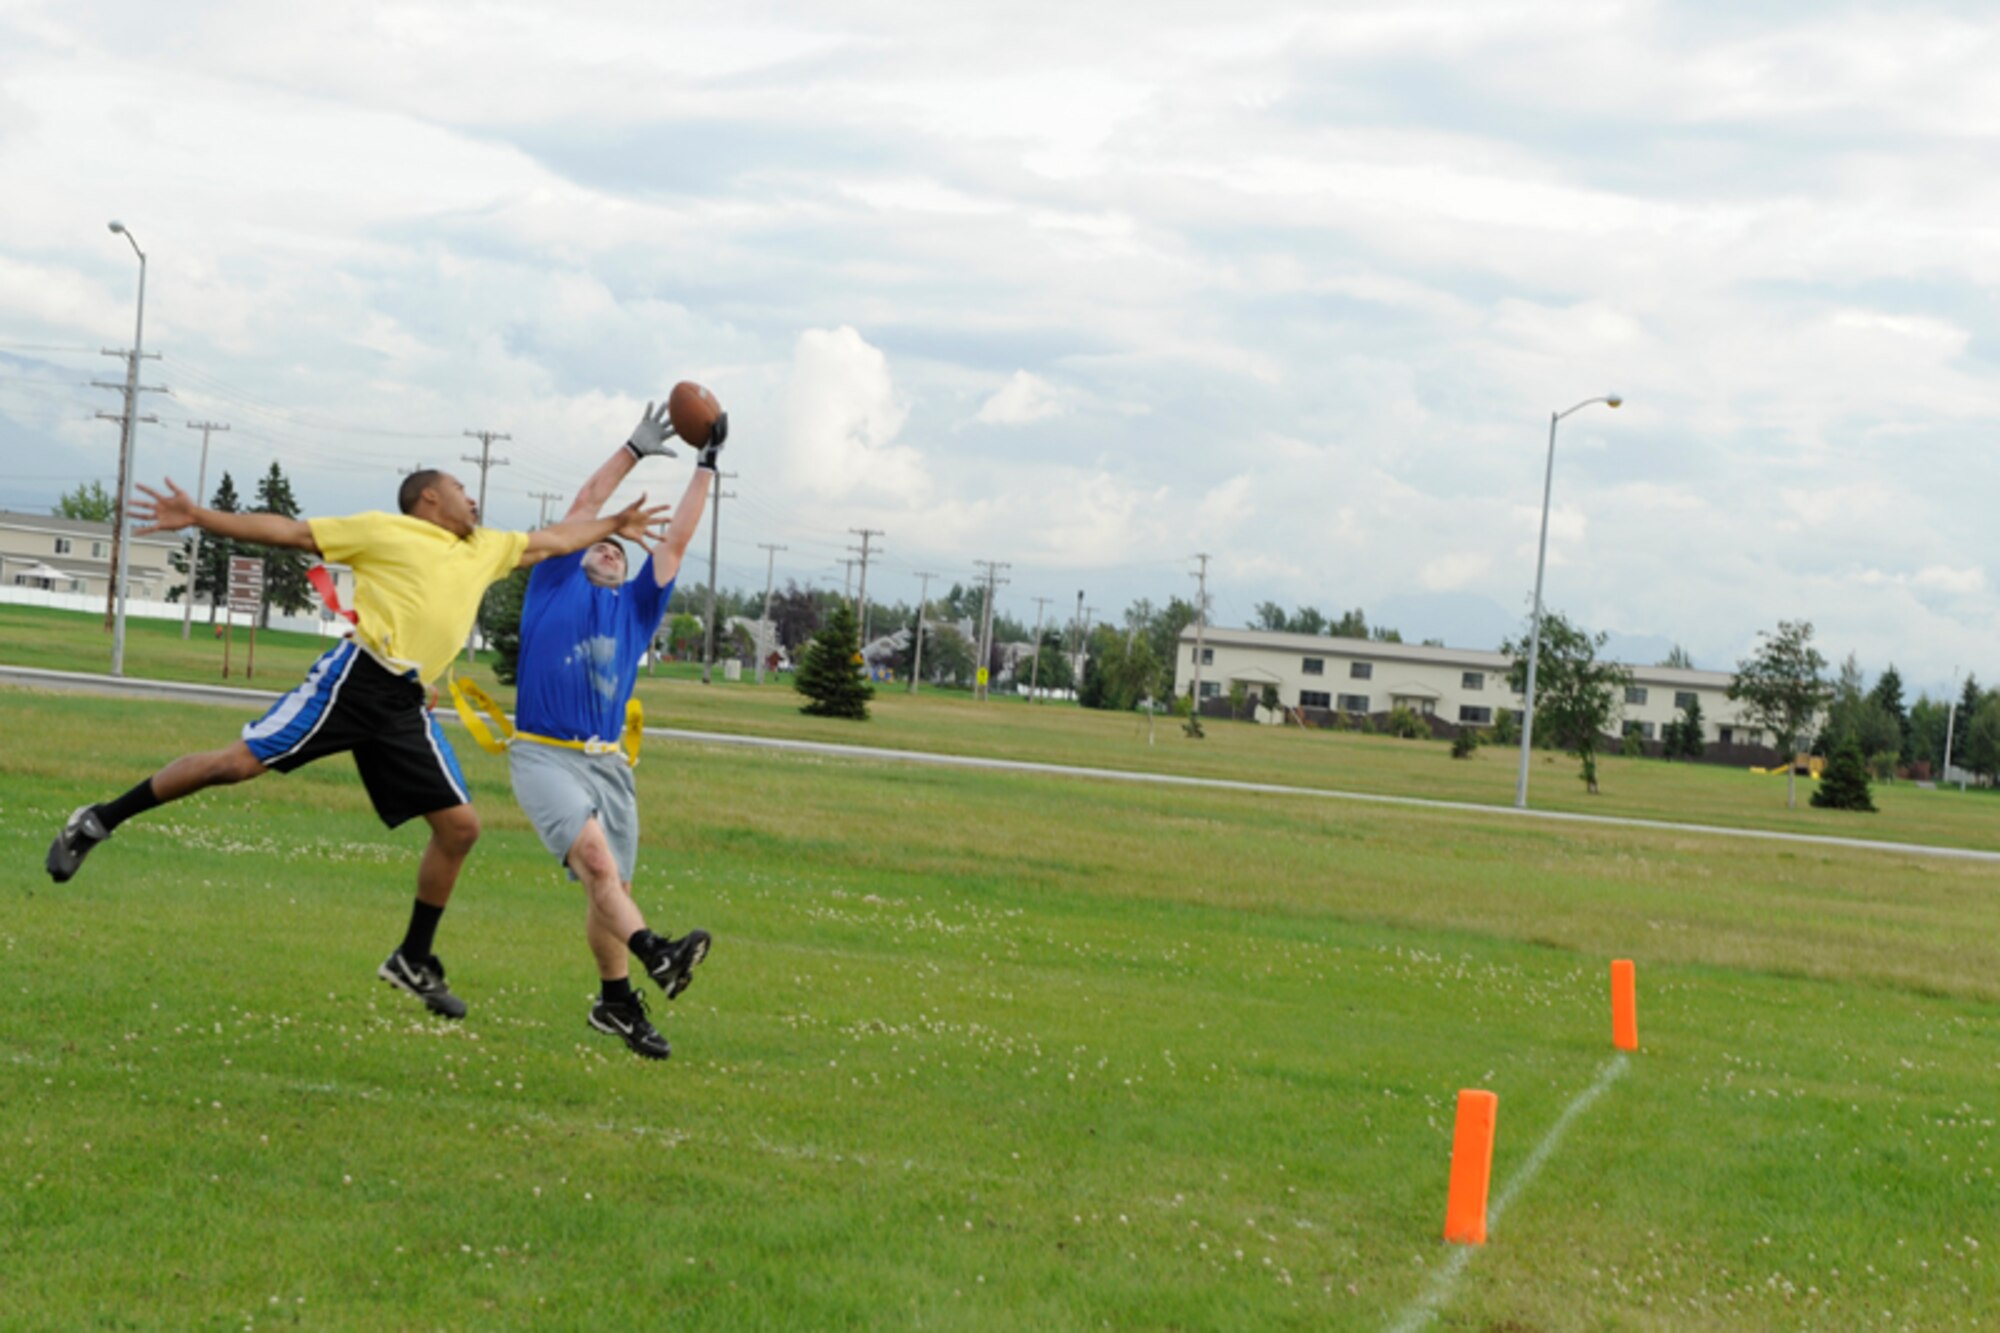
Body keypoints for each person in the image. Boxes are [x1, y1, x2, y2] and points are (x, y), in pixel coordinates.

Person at [45, 461, 670, 1021]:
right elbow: (290, 532)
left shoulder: (484, 546)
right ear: (427, 499)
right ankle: (97, 821)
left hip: (405, 703)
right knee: (234, 766)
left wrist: (617, 517)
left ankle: (412, 958)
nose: (473, 501)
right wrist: (202, 517)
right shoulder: (386, 530)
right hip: (357, 680)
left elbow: (557, 538)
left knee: (460, 828)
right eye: (460, 489)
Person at [501, 400, 726, 1059]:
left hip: (609, 766)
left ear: (628, 573)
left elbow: (677, 538)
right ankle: (658, 952)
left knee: (611, 892)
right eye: (599, 542)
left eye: (618, 548)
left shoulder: (636, 607)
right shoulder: (552, 580)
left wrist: (707, 462)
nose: (607, 548)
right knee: (597, 863)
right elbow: (585, 503)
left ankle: (615, 1002)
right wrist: (632, 448)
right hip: (544, 755)